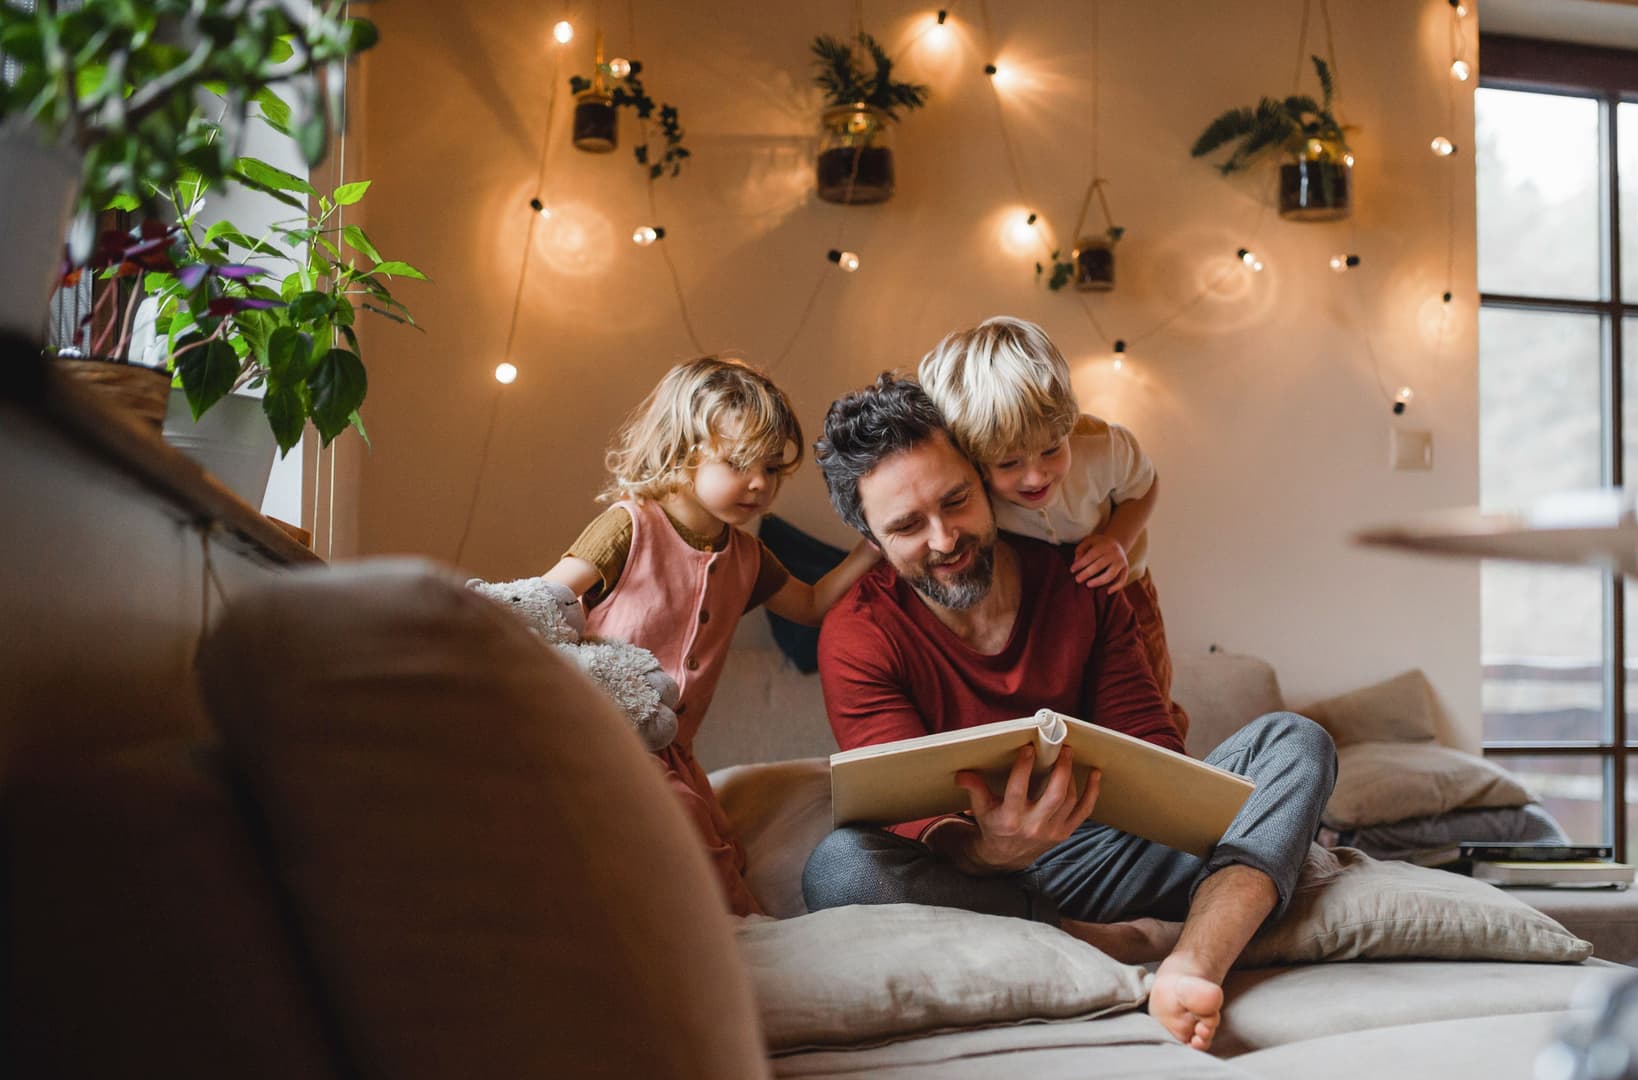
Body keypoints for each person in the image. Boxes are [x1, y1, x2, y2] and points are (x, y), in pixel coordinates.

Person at [802, 373, 1336, 1051]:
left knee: (1295, 742)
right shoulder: (858, 634)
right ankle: (1109, 938)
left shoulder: (1078, 580)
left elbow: (1151, 741)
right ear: (872, 541)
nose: (944, 539)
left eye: (957, 501)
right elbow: (908, 823)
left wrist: (1165, 799)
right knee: (839, 867)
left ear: (980, 477)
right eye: (907, 526)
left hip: (1106, 845)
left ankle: (1194, 961)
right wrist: (993, 847)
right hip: (977, 876)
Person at [543, 356, 877, 916]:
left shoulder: (746, 555)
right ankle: (745, 931)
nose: (760, 484)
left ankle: (729, 932)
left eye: (772, 469)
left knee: (720, 845)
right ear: (683, 451)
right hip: (602, 734)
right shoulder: (631, 526)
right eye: (740, 463)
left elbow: (813, 605)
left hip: (675, 753)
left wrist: (872, 548)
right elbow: (542, 600)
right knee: (684, 829)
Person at [917, 315, 1189, 739]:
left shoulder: (1103, 447)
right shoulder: (970, 486)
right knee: (1073, 705)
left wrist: (1118, 541)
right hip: (1042, 601)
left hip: (1120, 583)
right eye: (1009, 463)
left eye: (1050, 450)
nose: (1035, 477)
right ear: (975, 460)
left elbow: (1145, 487)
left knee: (1151, 697)